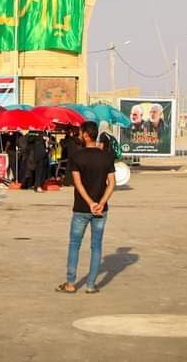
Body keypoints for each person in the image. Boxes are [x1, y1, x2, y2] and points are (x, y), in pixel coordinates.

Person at [56, 121, 115, 294]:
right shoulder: (107, 157)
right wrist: (101, 203)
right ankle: (90, 285)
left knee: (75, 244)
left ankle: (70, 283)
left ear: (86, 135)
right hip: (101, 210)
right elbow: (112, 183)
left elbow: (78, 183)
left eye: (81, 133)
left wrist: (90, 203)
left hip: (81, 208)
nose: (79, 135)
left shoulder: (77, 156)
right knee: (96, 246)